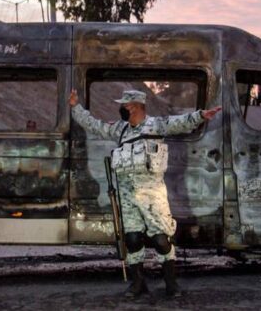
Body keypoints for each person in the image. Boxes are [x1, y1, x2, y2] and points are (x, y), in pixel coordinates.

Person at [69, 88, 220, 298]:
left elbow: (179, 122)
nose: (122, 108)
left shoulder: (155, 125)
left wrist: (201, 115)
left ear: (137, 106)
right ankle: (138, 284)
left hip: (152, 194)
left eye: (125, 105)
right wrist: (75, 107)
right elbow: (95, 126)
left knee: (160, 239)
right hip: (127, 194)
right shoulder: (120, 130)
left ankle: (171, 284)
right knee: (131, 239)